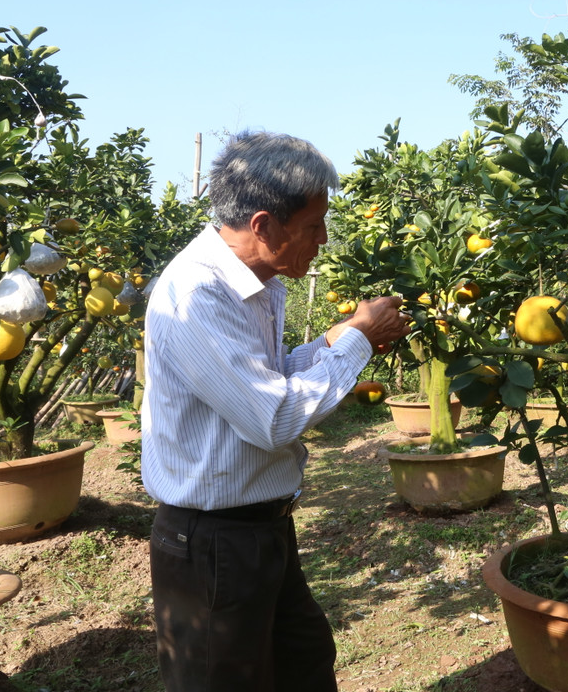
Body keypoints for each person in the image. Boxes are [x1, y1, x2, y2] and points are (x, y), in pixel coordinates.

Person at [141, 130, 410, 692]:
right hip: (211, 543)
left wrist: (335, 341)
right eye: (314, 226)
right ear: (264, 225)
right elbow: (273, 419)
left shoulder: (259, 283)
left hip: (262, 529)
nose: (323, 239)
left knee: (304, 662)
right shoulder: (198, 293)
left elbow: (266, 376)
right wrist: (356, 342)